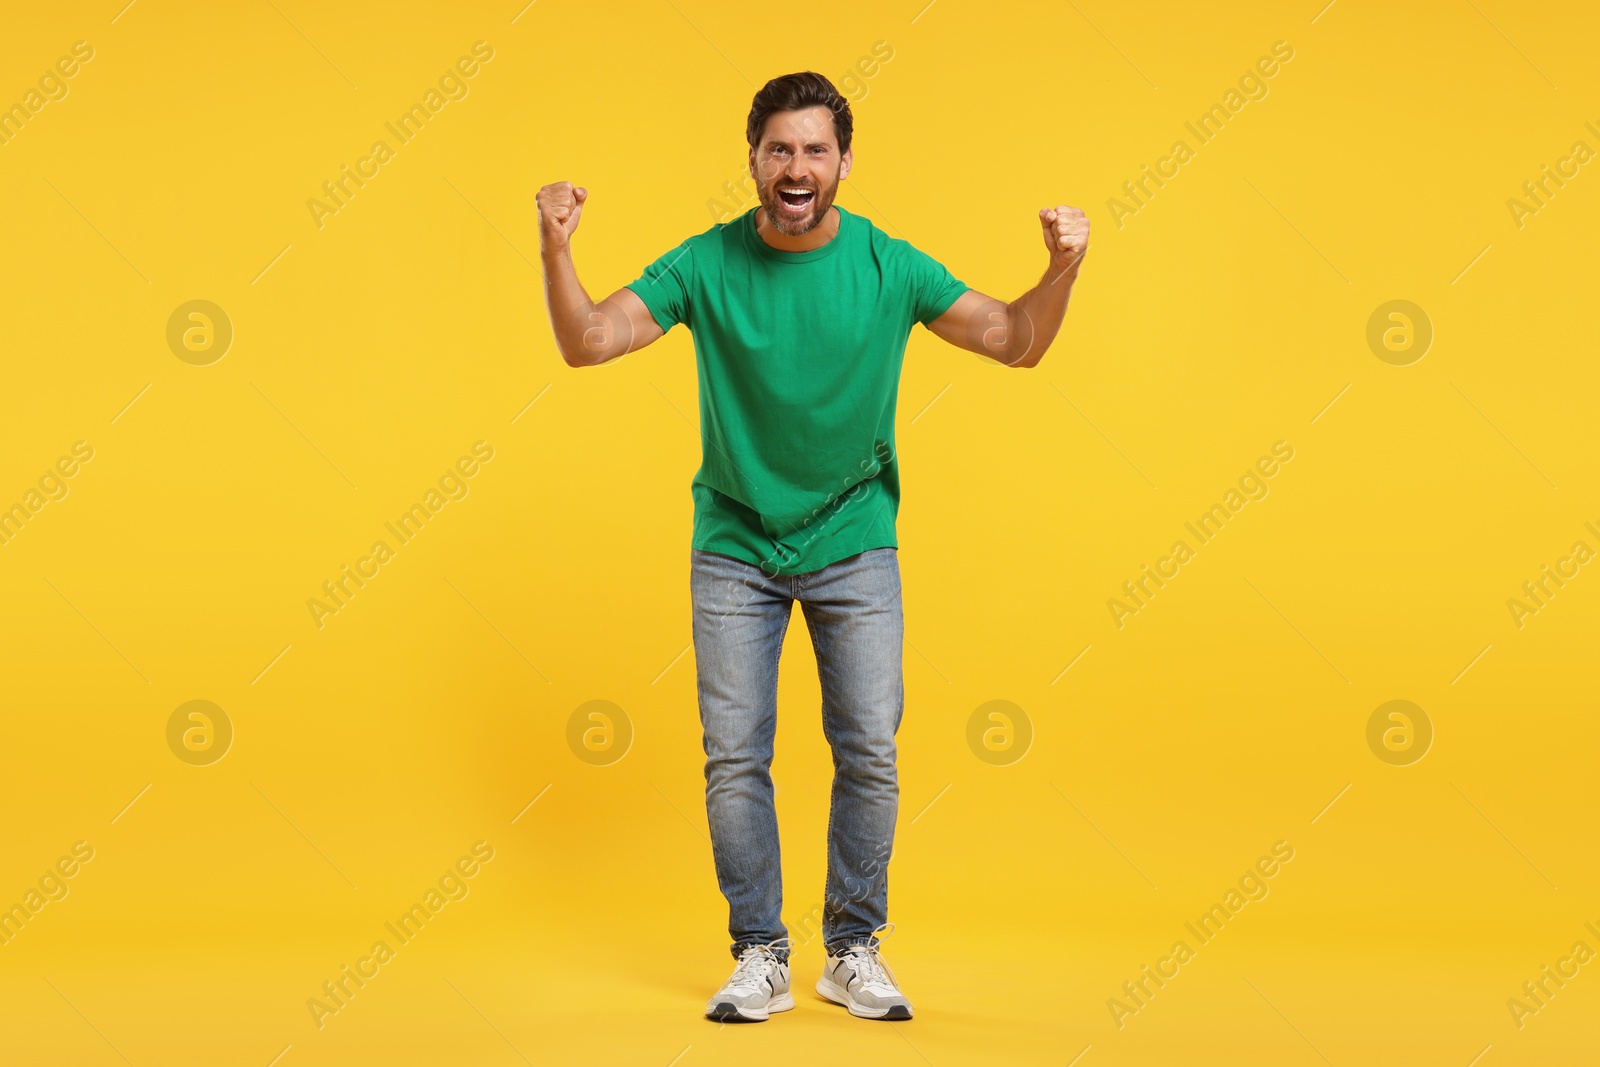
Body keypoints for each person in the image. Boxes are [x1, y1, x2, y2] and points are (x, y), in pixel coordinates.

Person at [536, 71, 1088, 1024]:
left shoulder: (889, 265)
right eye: (780, 149)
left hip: (855, 541)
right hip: (736, 546)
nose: (797, 168)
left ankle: (852, 948)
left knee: (869, 749)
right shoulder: (706, 264)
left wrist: (1064, 268)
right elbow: (589, 339)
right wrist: (555, 249)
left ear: (843, 164)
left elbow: (1014, 339)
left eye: (815, 150)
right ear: (753, 159)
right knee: (734, 757)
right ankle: (759, 951)